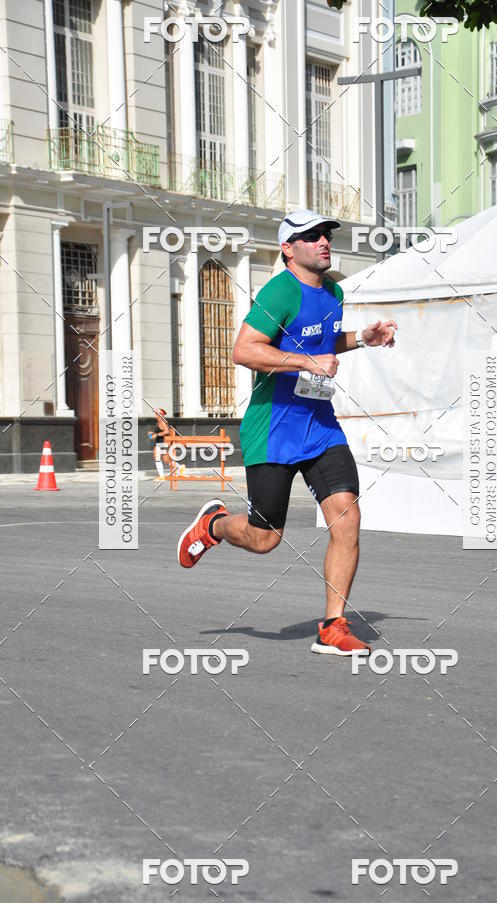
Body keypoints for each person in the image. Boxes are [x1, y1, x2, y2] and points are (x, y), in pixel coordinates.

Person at [177, 209, 397, 656]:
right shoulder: (278, 292)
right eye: (311, 236)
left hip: (319, 427)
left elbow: (320, 339)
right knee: (265, 538)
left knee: (347, 517)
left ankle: (333, 626)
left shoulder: (334, 291)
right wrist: (305, 363)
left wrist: (361, 338)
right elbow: (245, 349)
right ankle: (214, 525)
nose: (323, 241)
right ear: (288, 248)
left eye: (325, 234)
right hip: (273, 430)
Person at [149, 408, 173, 478]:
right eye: (155, 413)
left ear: (160, 415)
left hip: (162, 443)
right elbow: (160, 431)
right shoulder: (158, 422)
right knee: (159, 459)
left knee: (165, 460)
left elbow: (167, 431)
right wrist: (152, 433)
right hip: (159, 442)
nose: (155, 415)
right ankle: (162, 476)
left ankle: (179, 467)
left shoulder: (162, 422)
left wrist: (156, 435)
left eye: (156, 413)